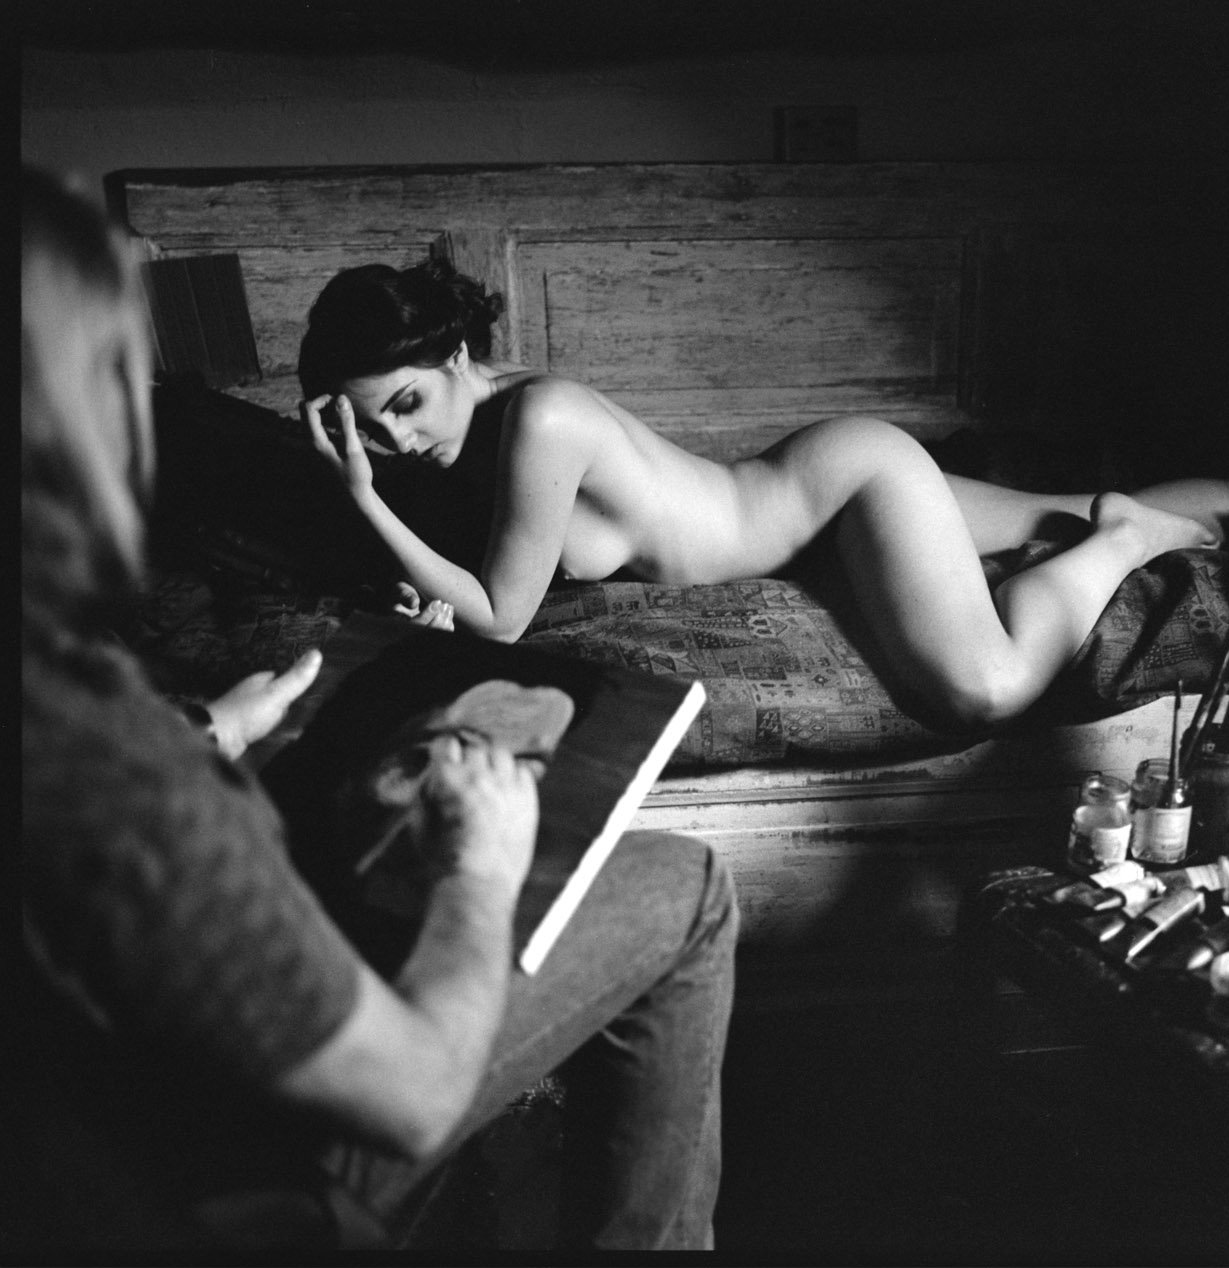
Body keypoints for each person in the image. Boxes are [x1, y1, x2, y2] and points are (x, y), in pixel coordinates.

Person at [18, 164, 738, 1252]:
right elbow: (411, 1095)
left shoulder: (72, 702)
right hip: (235, 1165)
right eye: (123, 381)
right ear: (85, 414)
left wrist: (211, 728)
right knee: (689, 889)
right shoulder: (114, 768)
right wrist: (477, 875)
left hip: (110, 1136)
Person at [297, 259, 1229, 731]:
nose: (396, 442)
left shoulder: (539, 420)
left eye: (405, 405)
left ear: (457, 355)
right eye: (369, 431)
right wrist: (427, 587)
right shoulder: (479, 431)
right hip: (813, 509)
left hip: (844, 488)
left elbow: (502, 617)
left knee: (982, 687)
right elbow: (484, 578)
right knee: (1060, 506)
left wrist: (360, 495)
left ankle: (1125, 541)